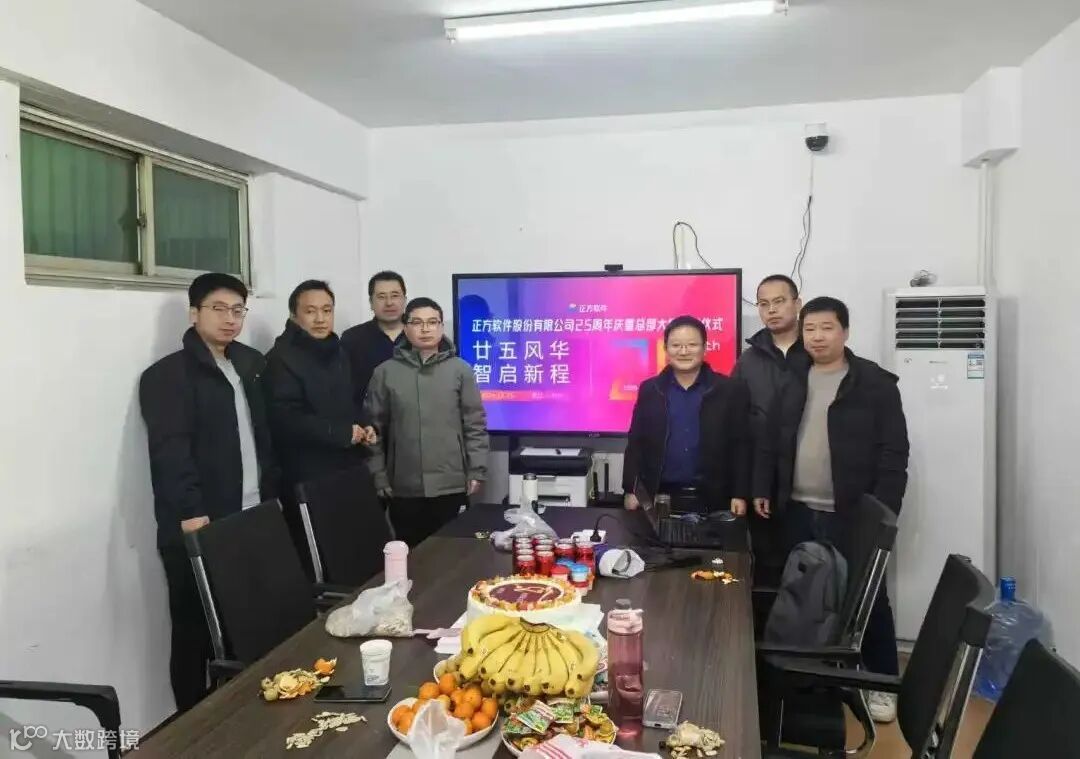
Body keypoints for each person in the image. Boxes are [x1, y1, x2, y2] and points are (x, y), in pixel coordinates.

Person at [756, 296, 909, 723]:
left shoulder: (874, 383)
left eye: (826, 328)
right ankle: (812, 677)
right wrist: (764, 487)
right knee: (801, 594)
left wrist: (882, 516)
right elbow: (772, 439)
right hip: (797, 508)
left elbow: (894, 454)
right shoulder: (793, 377)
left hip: (852, 513)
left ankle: (881, 681)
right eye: (810, 329)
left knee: (868, 597)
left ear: (845, 331)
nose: (817, 337)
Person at [139, 273, 279, 712]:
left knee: (247, 624)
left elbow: (264, 438)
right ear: (193, 313)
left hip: (251, 515)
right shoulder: (167, 376)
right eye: (218, 309)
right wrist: (191, 512)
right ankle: (190, 727)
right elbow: (170, 453)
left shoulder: (250, 366)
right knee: (194, 633)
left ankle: (240, 716)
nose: (230, 319)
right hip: (199, 525)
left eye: (238, 310)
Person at [364, 297, 489, 547]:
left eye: (432, 322)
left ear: (441, 327)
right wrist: (378, 476)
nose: (425, 329)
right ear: (405, 327)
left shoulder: (460, 370)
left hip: (451, 484)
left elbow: (474, 425)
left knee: (451, 553)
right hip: (403, 486)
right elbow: (373, 431)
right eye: (417, 322)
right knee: (411, 555)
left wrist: (477, 470)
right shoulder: (385, 372)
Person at [622, 315, 754, 516]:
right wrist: (631, 489)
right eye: (676, 345)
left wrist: (740, 494)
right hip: (659, 497)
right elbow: (636, 443)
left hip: (715, 499)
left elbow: (741, 446)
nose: (683, 352)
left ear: (705, 348)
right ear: (666, 349)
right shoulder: (650, 389)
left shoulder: (729, 389)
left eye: (692, 345)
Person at [732, 275, 810, 583]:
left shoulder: (816, 352)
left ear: (797, 304)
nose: (772, 310)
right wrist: (746, 488)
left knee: (813, 575)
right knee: (767, 571)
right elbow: (738, 428)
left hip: (809, 488)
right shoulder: (749, 361)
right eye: (764, 304)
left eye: (779, 301)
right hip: (762, 487)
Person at [264, 280, 377, 489]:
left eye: (327, 310)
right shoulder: (280, 358)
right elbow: (285, 419)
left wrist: (364, 425)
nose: (320, 319)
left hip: (346, 463)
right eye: (310, 311)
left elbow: (350, 400)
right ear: (293, 315)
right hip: (306, 472)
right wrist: (342, 433)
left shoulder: (338, 352)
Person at [341, 271, 407, 418]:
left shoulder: (422, 337)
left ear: (405, 300)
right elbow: (342, 390)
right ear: (371, 302)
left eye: (395, 295)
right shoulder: (352, 339)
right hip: (367, 425)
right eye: (381, 297)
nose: (389, 302)